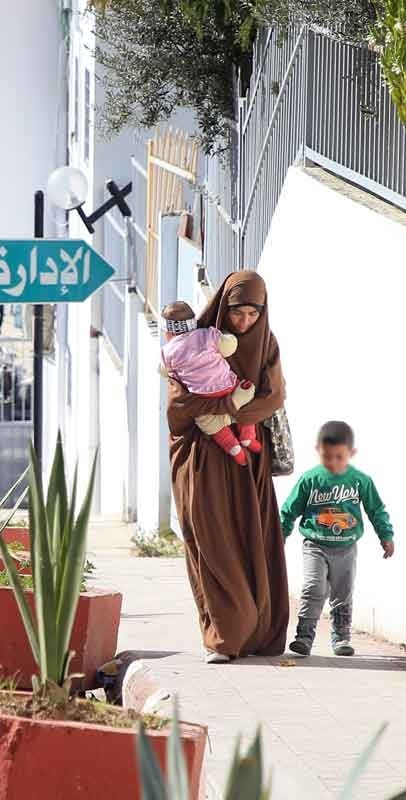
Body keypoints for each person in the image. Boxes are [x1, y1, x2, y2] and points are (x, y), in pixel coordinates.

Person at [166, 271, 289, 664]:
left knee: (252, 541)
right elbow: (177, 408)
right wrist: (230, 407)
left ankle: (258, 632)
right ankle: (224, 635)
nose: (245, 322)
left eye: (254, 313)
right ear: (223, 307)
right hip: (202, 462)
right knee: (213, 543)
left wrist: (223, 409)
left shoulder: (266, 344)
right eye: (238, 313)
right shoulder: (194, 342)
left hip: (248, 461)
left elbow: (271, 397)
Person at [280, 421, 394, 658]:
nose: (332, 462)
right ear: (317, 450)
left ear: (351, 453)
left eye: (338, 457)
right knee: (313, 588)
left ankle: (341, 637)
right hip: (315, 545)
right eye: (326, 456)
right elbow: (289, 510)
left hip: (346, 547)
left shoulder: (360, 480)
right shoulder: (310, 480)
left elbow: (376, 510)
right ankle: (304, 636)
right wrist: (280, 534)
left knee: (343, 592)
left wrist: (386, 535)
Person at [160, 301, 261, 465]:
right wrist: (228, 336)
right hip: (226, 385)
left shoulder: (167, 352)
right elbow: (229, 346)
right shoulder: (206, 335)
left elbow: (167, 372)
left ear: (169, 332)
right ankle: (248, 436)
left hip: (202, 395)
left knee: (206, 421)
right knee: (247, 398)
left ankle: (233, 447)